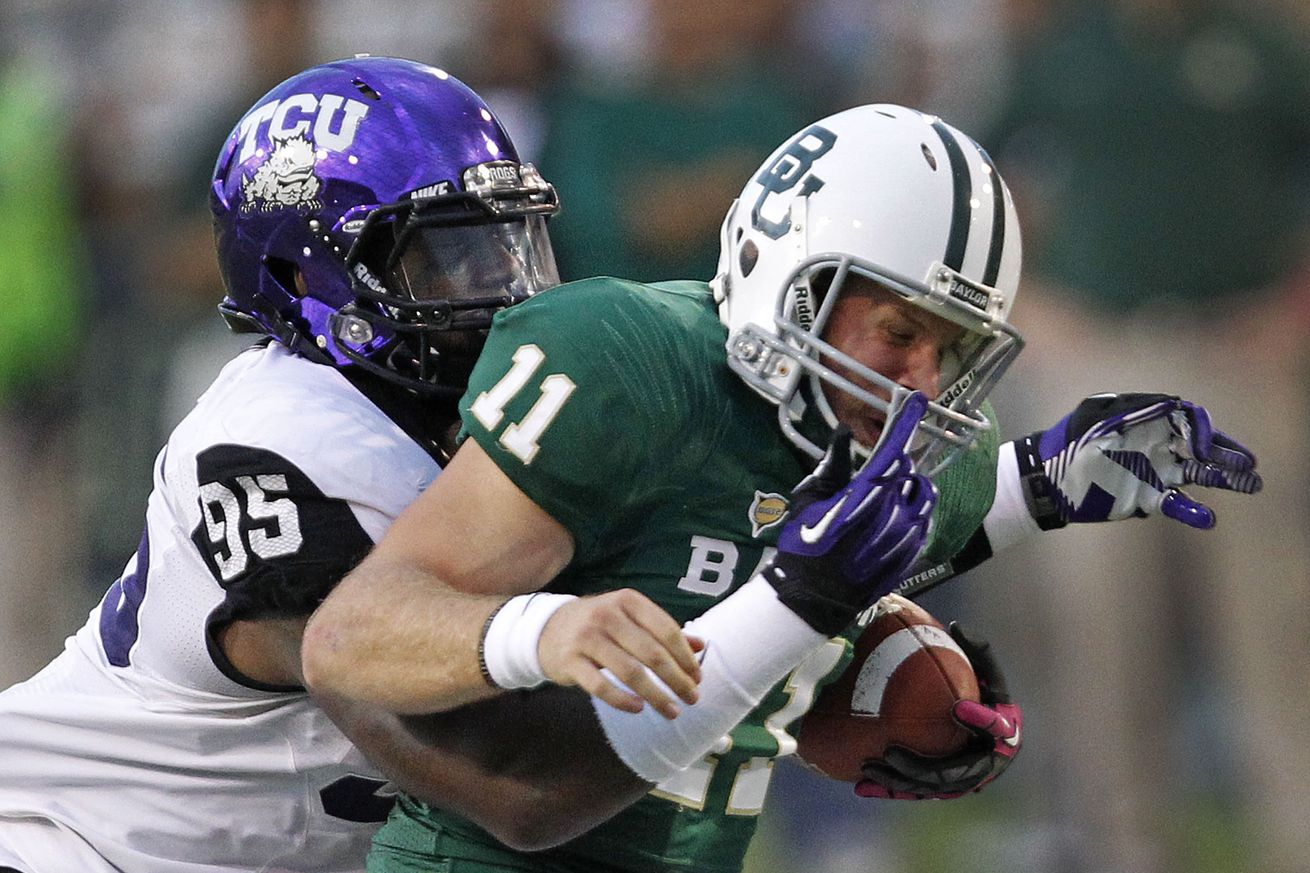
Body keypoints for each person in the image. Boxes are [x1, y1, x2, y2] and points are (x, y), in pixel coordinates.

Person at [302, 102, 1256, 873]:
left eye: (952, 348)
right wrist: (542, 629)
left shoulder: (932, 453)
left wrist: (1033, 485)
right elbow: (351, 636)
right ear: (791, 275)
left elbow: (850, 557)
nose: (923, 381)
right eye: (898, 331)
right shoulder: (630, 369)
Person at [0, 56, 704, 873]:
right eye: (450, 259)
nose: (507, 294)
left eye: (510, 246)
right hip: (66, 844)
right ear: (304, 276)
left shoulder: (473, 423)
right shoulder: (278, 447)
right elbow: (516, 788)